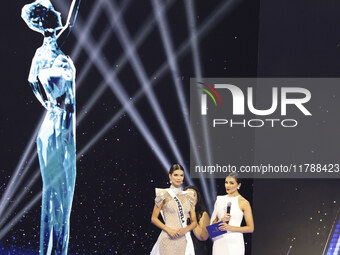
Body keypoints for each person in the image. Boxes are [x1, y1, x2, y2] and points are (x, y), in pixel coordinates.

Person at [21, 0, 80, 253]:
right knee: (59, 195)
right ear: (47, 20)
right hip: (58, 129)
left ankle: (54, 251)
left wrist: (47, 102)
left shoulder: (44, 52)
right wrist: (51, 104)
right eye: (54, 11)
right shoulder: (52, 47)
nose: (59, 13)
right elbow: (73, 19)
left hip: (56, 125)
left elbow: (33, 82)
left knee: (58, 196)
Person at [151, 164, 197, 255]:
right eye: (176, 175)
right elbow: (153, 218)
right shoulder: (163, 194)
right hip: (168, 237)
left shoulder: (189, 196)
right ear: (170, 175)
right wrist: (169, 230)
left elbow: (194, 222)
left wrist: (186, 229)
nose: (179, 178)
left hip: (182, 239)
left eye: (181, 175)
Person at [210, 173, 254, 255]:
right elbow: (211, 226)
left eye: (231, 183)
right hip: (219, 241)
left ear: (239, 185)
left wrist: (230, 228)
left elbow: (250, 228)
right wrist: (221, 221)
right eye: (226, 182)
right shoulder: (219, 199)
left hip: (235, 242)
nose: (228, 186)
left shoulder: (244, 202)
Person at [184, 186, 212, 255]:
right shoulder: (178, 214)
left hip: (198, 251)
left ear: (197, 198)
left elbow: (203, 237)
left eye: (193, 195)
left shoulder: (202, 214)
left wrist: (191, 217)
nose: (191, 198)